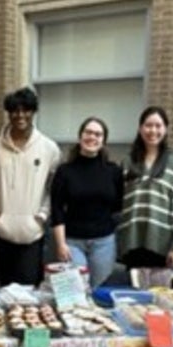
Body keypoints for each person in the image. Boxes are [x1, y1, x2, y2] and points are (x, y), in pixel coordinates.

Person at [0, 88, 61, 287]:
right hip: (1, 230)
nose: (20, 115)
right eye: (15, 111)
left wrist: (42, 217)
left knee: (30, 294)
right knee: (5, 290)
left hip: (33, 231)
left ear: (33, 112)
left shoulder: (49, 148)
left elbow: (54, 190)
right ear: (8, 113)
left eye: (26, 110)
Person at [50, 117, 124, 288]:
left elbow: (117, 205)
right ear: (80, 137)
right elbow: (57, 209)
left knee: (99, 289)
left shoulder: (113, 171)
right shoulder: (65, 171)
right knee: (74, 291)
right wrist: (60, 244)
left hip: (104, 242)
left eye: (98, 134)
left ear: (103, 141)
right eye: (88, 132)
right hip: (72, 242)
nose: (92, 137)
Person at [117, 106, 173, 270]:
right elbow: (120, 205)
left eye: (158, 126)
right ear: (140, 128)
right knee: (133, 294)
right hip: (131, 241)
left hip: (162, 244)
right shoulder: (127, 161)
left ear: (165, 129)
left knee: (160, 294)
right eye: (148, 125)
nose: (153, 130)